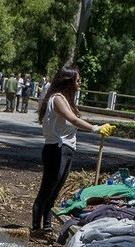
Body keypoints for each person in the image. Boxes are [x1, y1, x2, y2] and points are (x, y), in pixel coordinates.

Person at [30, 65, 115, 234]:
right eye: (77, 80)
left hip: (67, 149)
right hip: (56, 149)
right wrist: (96, 128)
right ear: (68, 81)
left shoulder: (68, 100)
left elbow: (74, 120)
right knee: (46, 190)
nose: (80, 82)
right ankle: (35, 227)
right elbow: (73, 120)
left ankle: (47, 226)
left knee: (55, 191)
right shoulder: (57, 99)